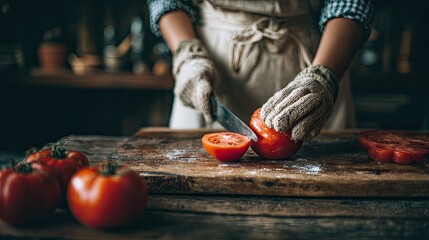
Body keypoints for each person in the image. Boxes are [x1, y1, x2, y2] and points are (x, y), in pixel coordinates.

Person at [147, 0, 374, 142]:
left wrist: (324, 75)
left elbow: (352, 3)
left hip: (320, 54)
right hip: (212, 63)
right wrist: (188, 52)